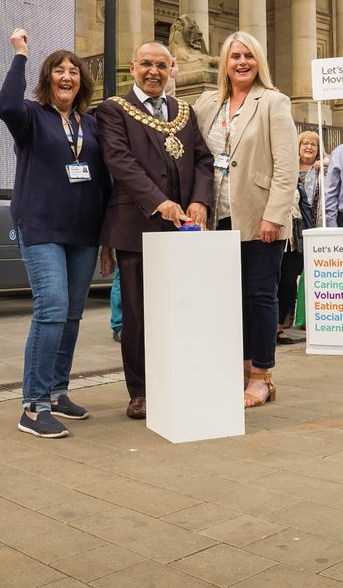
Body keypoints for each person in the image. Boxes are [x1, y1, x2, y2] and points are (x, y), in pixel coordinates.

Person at [0, 29, 110, 439]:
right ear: (48, 80)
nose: (67, 76)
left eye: (74, 71)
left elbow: (104, 180)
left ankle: (58, 392)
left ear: (82, 82)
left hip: (83, 232)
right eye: (59, 71)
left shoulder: (91, 125)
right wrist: (21, 55)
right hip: (41, 226)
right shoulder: (30, 116)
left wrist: (107, 238)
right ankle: (33, 405)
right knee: (52, 309)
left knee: (72, 315)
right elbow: (4, 104)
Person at [97, 41, 214, 421]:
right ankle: (141, 391)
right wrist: (158, 201)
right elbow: (120, 161)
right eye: (146, 64)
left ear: (173, 69)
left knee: (180, 311)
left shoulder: (185, 112)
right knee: (137, 315)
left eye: (161, 66)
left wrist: (201, 200)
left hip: (183, 232)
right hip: (136, 226)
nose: (153, 72)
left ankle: (178, 379)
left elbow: (203, 160)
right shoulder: (114, 109)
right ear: (132, 67)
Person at [195, 31, 296, 408]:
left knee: (259, 296)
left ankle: (262, 376)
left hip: (258, 217)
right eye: (235, 55)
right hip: (218, 216)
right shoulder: (209, 103)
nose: (241, 62)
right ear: (224, 62)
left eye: (248, 56)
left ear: (258, 62)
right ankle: (240, 369)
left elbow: (286, 168)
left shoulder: (273, 101)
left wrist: (274, 216)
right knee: (229, 299)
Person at [276, 130, 322, 345]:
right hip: (277, 229)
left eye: (313, 144)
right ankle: (273, 327)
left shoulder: (322, 170)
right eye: (304, 143)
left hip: (298, 232)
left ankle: (279, 328)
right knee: (273, 281)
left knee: (289, 282)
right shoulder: (286, 167)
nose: (308, 147)